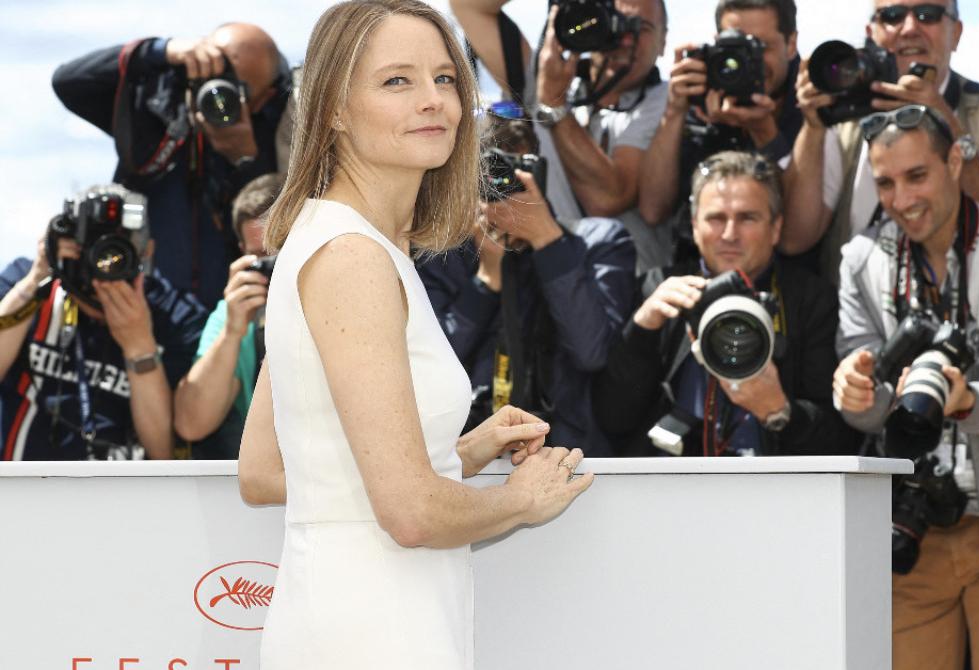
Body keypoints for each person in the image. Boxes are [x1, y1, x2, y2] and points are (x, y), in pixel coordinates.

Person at [236, 2, 593, 668]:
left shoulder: (331, 241)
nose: (434, 102)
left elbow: (272, 470)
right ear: (336, 109)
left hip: (351, 617)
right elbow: (408, 512)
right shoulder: (352, 258)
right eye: (397, 81)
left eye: (446, 79)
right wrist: (521, 500)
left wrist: (461, 453)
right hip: (378, 630)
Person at [831, 105, 979, 669]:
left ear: (956, 160)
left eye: (916, 176)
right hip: (911, 530)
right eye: (885, 182)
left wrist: (966, 401)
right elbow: (870, 406)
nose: (902, 200)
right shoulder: (859, 260)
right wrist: (856, 395)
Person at [593, 150, 858, 457]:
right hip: (670, 486)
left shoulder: (810, 299)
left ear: (775, 228)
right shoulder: (659, 290)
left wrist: (779, 412)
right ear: (694, 226)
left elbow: (839, 442)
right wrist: (642, 329)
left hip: (776, 489)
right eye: (716, 218)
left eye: (747, 218)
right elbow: (612, 419)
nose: (730, 234)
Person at [418, 116, 635, 456]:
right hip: (466, 454)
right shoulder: (442, 255)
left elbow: (591, 352)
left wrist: (548, 241)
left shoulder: (598, 242)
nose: (503, 188)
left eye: (514, 174)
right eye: (491, 176)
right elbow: (427, 369)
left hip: (570, 453)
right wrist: (487, 279)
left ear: (541, 173)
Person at [782, 0, 979, 282]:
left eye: (929, 15)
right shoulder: (842, 108)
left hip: (961, 305)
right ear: (871, 31)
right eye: (892, 16)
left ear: (956, 34)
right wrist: (814, 127)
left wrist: (947, 124)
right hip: (855, 309)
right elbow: (795, 239)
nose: (910, 28)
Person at [52, 23, 293, 308]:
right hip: (145, 297)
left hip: (222, 313)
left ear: (262, 99)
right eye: (215, 75)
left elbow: (269, 234)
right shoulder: (157, 98)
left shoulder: (279, 127)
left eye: (236, 91)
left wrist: (245, 160)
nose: (218, 96)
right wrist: (161, 51)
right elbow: (66, 82)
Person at [450, 0, 671, 271]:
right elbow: (468, 6)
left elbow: (609, 198)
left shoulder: (668, 101)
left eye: (642, 27)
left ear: (664, 42)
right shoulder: (550, 76)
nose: (624, 37)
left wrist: (554, 106)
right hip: (548, 286)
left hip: (633, 290)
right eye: (612, 19)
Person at [0, 190, 207, 461]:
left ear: (146, 252)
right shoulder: (31, 284)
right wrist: (34, 280)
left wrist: (139, 345)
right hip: (22, 488)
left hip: (122, 496)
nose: (105, 264)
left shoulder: (174, 315)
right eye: (92, 249)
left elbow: (163, 451)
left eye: (119, 251)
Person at [637, 0, 803, 255]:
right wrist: (674, 112)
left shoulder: (811, 102)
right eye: (737, 47)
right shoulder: (703, 89)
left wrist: (765, 134)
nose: (746, 61)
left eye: (760, 47)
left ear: (791, 44)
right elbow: (652, 209)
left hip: (790, 281)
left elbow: (796, 232)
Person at [174, 172, 285, 459]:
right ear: (243, 255)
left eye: (284, 252)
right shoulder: (237, 310)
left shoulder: (343, 295)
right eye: (264, 259)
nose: (278, 269)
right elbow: (191, 424)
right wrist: (232, 333)